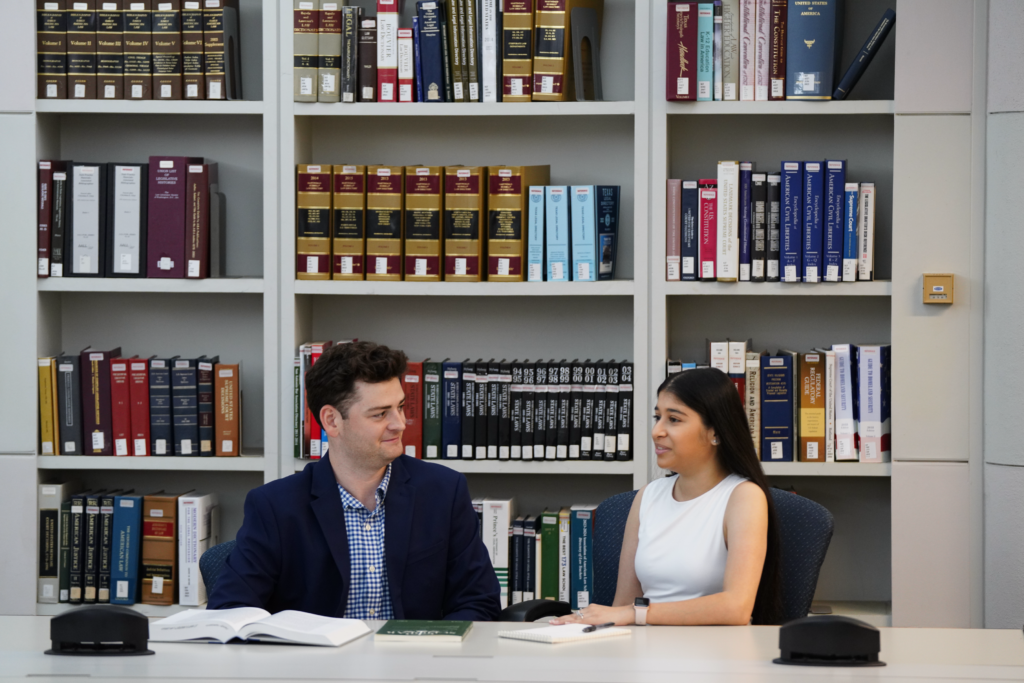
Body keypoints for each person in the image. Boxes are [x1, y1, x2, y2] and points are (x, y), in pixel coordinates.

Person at [208, 341, 501, 621]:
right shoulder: (274, 506)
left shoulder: (444, 491)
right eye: (380, 414)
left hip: (414, 665)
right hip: (317, 668)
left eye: (399, 406)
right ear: (332, 421)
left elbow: (477, 601)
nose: (399, 423)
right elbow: (231, 611)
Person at [552, 368, 782, 626]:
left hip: (717, 655)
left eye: (674, 419)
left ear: (715, 431)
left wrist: (635, 614)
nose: (656, 431)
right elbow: (623, 605)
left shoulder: (743, 497)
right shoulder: (648, 496)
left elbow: (735, 608)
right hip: (644, 650)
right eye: (657, 417)